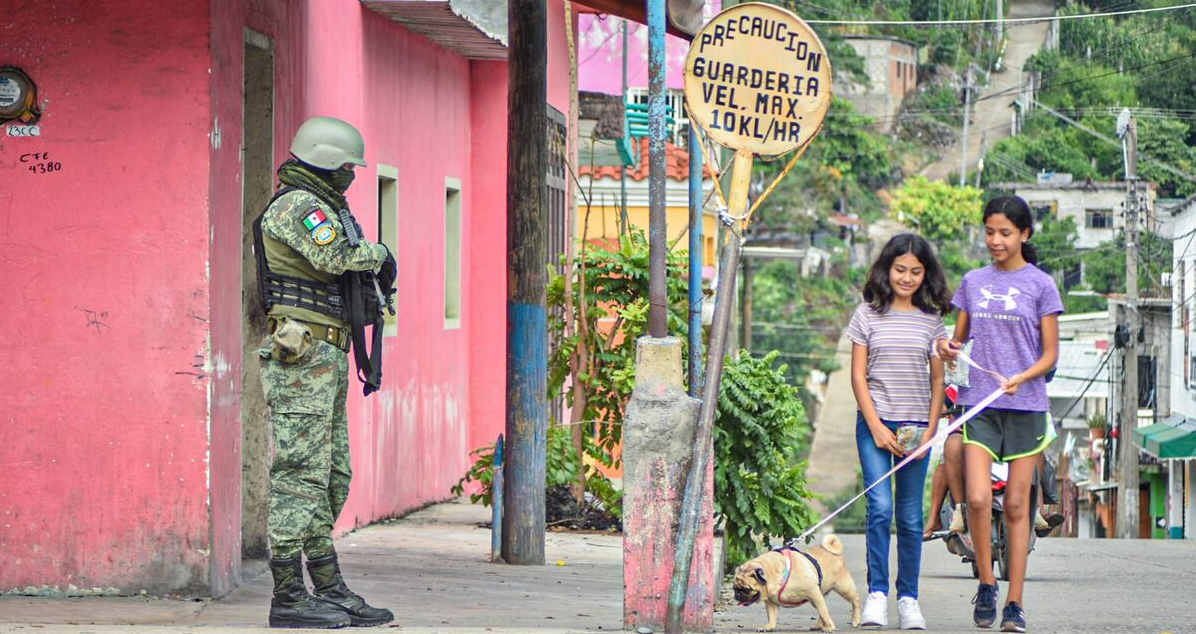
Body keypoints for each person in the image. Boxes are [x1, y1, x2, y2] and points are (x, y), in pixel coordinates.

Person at [254, 116, 398, 629]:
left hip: (325, 356)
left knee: (332, 476)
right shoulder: (298, 207)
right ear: (328, 162)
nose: (351, 177)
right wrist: (379, 253)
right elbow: (336, 255)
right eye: (347, 168)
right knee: (300, 476)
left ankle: (329, 586)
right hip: (303, 357)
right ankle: (289, 596)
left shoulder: (325, 205)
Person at [937, 196, 1063, 633]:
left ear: (1024, 234)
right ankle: (987, 584)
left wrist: (1020, 376)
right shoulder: (973, 281)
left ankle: (1015, 602)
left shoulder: (1042, 285)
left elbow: (1050, 355)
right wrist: (946, 348)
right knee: (974, 498)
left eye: (1005, 232)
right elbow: (958, 342)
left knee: (1014, 504)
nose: (995, 240)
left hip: (1026, 406)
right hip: (981, 405)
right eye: (990, 231)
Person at [848, 233, 950, 630]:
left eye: (915, 272)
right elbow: (858, 377)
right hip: (875, 425)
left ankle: (908, 599)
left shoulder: (933, 322)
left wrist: (930, 434)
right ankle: (877, 594)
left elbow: (939, 382)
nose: (906, 278)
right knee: (880, 510)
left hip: (916, 429)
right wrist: (874, 426)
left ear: (926, 276)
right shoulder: (867, 314)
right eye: (900, 270)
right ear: (886, 270)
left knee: (909, 517)